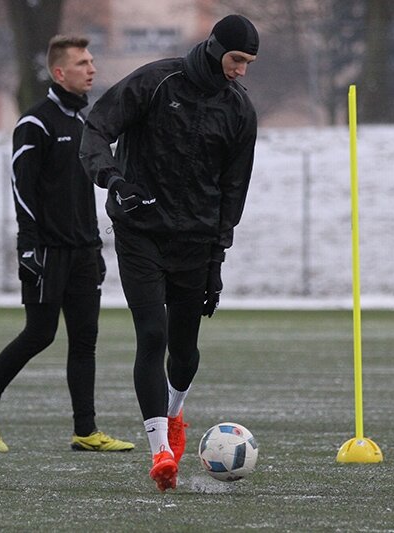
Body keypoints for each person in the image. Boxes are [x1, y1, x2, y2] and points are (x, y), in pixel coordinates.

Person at [79, 14, 259, 490]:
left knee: (184, 351)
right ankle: (160, 451)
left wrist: (217, 260)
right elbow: (96, 128)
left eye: (248, 63)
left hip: (196, 243)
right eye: (236, 59)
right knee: (151, 334)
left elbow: (233, 191)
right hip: (140, 232)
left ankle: (176, 414)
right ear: (214, 47)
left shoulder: (240, 111)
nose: (241, 70)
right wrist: (113, 180)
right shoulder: (157, 81)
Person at [0, 35, 134, 454]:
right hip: (47, 250)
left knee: (85, 340)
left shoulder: (85, 123)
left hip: (83, 251)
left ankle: (85, 431)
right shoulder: (35, 124)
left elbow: (85, 188)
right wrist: (28, 245)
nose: (92, 69)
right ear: (59, 73)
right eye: (82, 63)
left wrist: (95, 246)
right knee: (39, 334)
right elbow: (22, 190)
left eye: (91, 61)